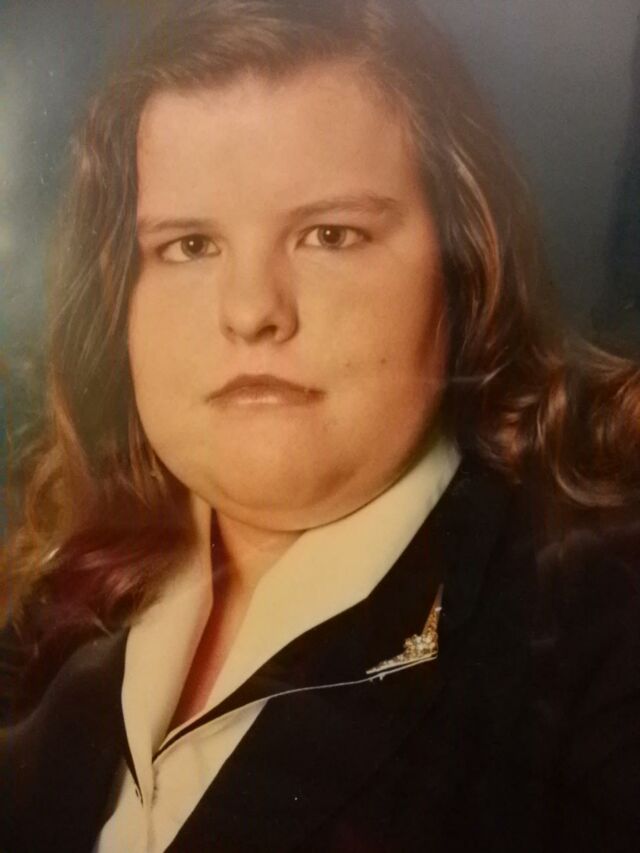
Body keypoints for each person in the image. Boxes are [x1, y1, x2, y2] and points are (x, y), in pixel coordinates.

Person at [1, 1, 639, 851]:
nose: (252, 310)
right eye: (190, 246)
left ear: (466, 268)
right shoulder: (51, 616)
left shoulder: (597, 637)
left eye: (329, 234)